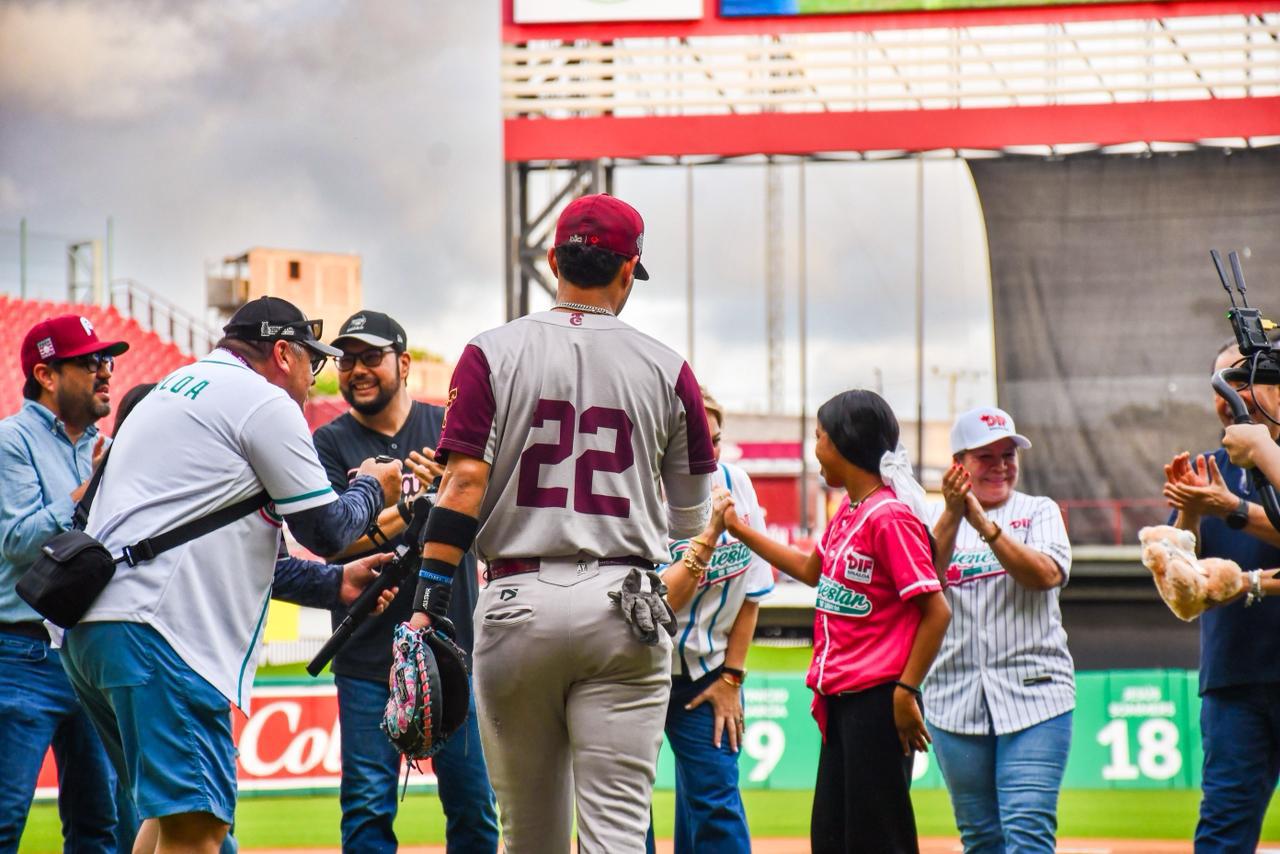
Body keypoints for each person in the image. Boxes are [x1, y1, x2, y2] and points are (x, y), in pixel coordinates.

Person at [408, 193, 717, 852]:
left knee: (529, 838)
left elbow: (463, 484)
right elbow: (689, 518)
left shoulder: (491, 352)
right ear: (627, 270)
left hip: (516, 597)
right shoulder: (670, 368)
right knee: (617, 834)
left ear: (553, 261)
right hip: (624, 604)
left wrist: (428, 601)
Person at [58, 296, 403, 854]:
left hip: (93, 627)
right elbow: (329, 531)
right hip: (162, 632)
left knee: (169, 822)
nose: (311, 383)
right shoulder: (262, 402)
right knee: (199, 829)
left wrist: (333, 585)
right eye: (311, 365)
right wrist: (373, 486)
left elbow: (216, 536)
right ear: (283, 353)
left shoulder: (171, 389)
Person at [711, 389, 951, 854]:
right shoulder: (851, 510)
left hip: (878, 702)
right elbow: (809, 570)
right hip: (842, 701)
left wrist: (905, 692)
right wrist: (740, 530)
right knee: (832, 838)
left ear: (845, 443)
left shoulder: (890, 517)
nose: (814, 448)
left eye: (819, 437)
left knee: (877, 841)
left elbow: (936, 610)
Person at [306, 310, 498, 854]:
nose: (356, 370)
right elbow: (332, 542)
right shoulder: (329, 443)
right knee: (367, 810)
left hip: (452, 646)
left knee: (474, 807)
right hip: (368, 655)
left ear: (404, 363)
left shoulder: (447, 430)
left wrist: (454, 495)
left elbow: (487, 519)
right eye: (346, 361)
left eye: (370, 357)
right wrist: (418, 505)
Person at [0, 315, 129, 853]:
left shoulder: (111, 443)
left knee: (99, 828)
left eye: (108, 360)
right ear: (46, 375)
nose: (105, 372)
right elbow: (19, 540)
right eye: (89, 361)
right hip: (20, 653)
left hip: (87, 650)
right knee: (4, 821)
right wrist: (86, 492)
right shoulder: (11, 439)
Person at [925, 406, 1074, 854]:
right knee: (981, 839)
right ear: (959, 466)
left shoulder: (1038, 510)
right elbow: (924, 584)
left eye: (1008, 454)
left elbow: (1045, 574)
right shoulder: (930, 519)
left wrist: (985, 526)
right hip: (954, 699)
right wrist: (955, 515)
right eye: (985, 456)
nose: (1001, 466)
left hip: (1037, 695)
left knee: (1028, 833)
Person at [644, 387, 773, 854]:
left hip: (706, 676)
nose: (707, 453)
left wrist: (732, 678)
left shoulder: (737, 484)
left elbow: (752, 592)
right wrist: (709, 536)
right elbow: (653, 607)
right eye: (696, 442)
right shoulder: (637, 491)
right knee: (626, 815)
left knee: (717, 807)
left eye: (715, 441)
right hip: (634, 673)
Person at [1165, 341, 1280, 853]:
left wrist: (1231, 507)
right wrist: (1191, 511)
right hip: (1235, 679)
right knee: (1223, 833)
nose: (1233, 394)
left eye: (1244, 378)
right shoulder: (1209, 467)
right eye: (1222, 383)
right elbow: (1182, 594)